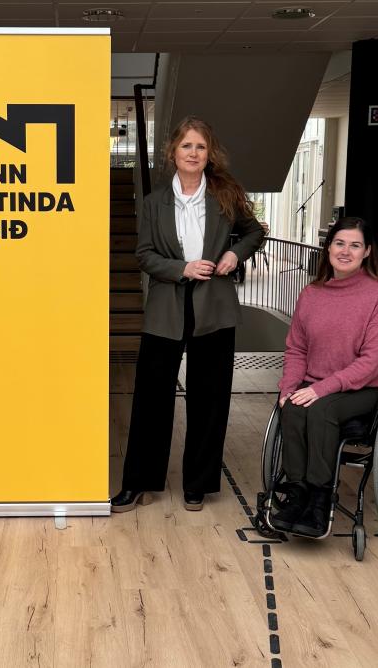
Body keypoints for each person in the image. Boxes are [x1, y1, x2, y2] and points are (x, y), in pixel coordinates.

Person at [111, 117, 265, 514]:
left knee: (209, 399)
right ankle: (138, 482)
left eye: (200, 147)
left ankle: (197, 483)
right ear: (172, 154)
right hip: (166, 310)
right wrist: (181, 268)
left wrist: (234, 254)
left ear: (208, 154)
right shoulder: (153, 202)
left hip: (214, 309)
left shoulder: (226, 195)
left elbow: (253, 232)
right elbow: (144, 255)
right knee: (151, 399)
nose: (193, 153)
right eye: (186, 147)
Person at [270, 217, 378, 537]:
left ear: (367, 252)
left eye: (355, 245)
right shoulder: (311, 294)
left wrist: (321, 389)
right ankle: (297, 492)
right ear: (328, 248)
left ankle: (319, 497)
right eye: (339, 243)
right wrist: (288, 388)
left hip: (364, 388)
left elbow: (372, 361)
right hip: (317, 383)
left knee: (321, 408)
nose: (345, 251)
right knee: (293, 407)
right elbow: (297, 349)